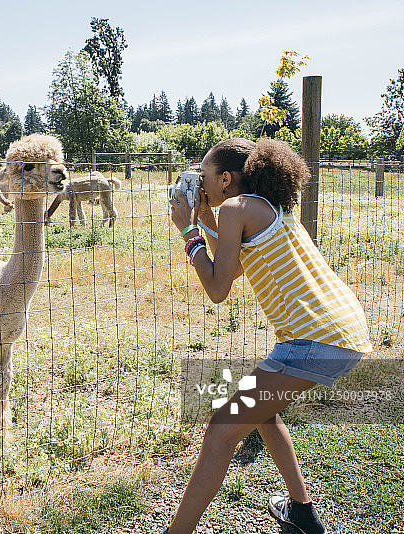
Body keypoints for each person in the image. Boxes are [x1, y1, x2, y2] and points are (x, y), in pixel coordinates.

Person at [162, 138, 371, 534]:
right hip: (339, 331)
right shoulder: (266, 209)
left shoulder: (236, 209)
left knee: (222, 429)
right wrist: (203, 220)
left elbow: (217, 287)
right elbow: (233, 261)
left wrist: (188, 228)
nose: (200, 184)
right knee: (262, 411)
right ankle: (302, 514)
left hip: (314, 340)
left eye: (204, 176)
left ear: (226, 178)